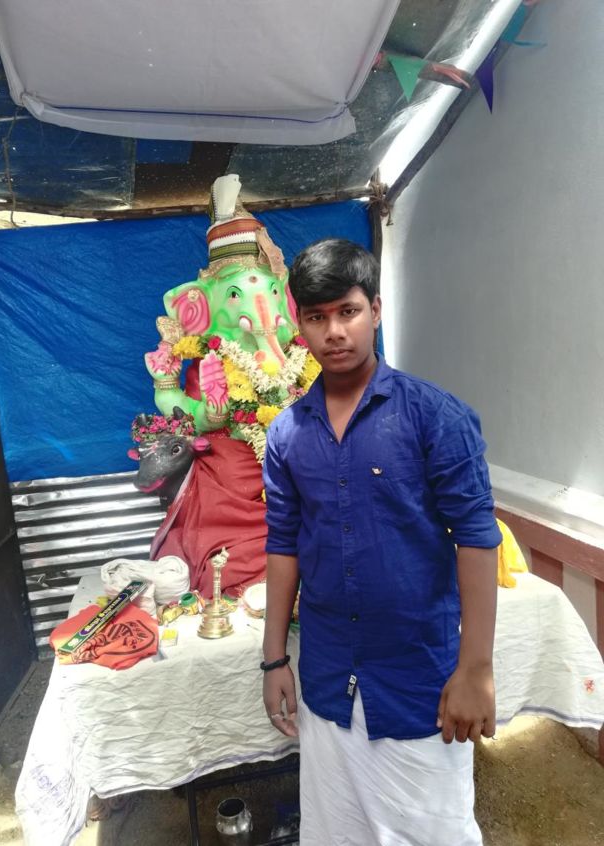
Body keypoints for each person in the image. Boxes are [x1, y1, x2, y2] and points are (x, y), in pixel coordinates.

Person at [261, 239, 502, 846]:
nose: (334, 331)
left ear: (375, 309)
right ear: (299, 326)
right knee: (337, 832)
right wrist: (273, 658)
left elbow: (477, 539)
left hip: (418, 679)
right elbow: (283, 544)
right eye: (316, 317)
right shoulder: (287, 434)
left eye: (348, 311)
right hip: (327, 677)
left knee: (432, 833)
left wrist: (475, 669)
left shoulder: (434, 416)